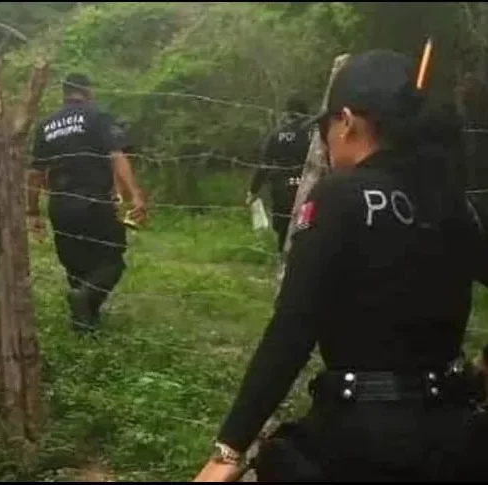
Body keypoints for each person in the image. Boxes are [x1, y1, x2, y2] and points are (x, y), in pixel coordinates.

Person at [193, 49, 488, 482]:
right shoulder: (451, 202)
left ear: (346, 121)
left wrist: (229, 450)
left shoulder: (339, 197)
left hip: (360, 445)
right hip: (456, 437)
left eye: (324, 126)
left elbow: (292, 331)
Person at [26, 73, 146, 334]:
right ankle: (85, 299)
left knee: (75, 264)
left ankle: (85, 325)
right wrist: (134, 194)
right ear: (87, 92)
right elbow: (116, 155)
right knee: (112, 260)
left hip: (60, 204)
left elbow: (35, 174)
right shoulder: (97, 116)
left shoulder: (46, 125)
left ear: (65, 93)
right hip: (94, 200)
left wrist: (33, 211)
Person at [246, 96, 312, 253]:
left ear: (287, 113)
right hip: (309, 191)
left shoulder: (277, 135)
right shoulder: (316, 134)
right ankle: (304, 262)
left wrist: (253, 190)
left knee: (283, 231)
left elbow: (264, 165)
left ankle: (284, 264)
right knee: (305, 228)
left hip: (283, 191)